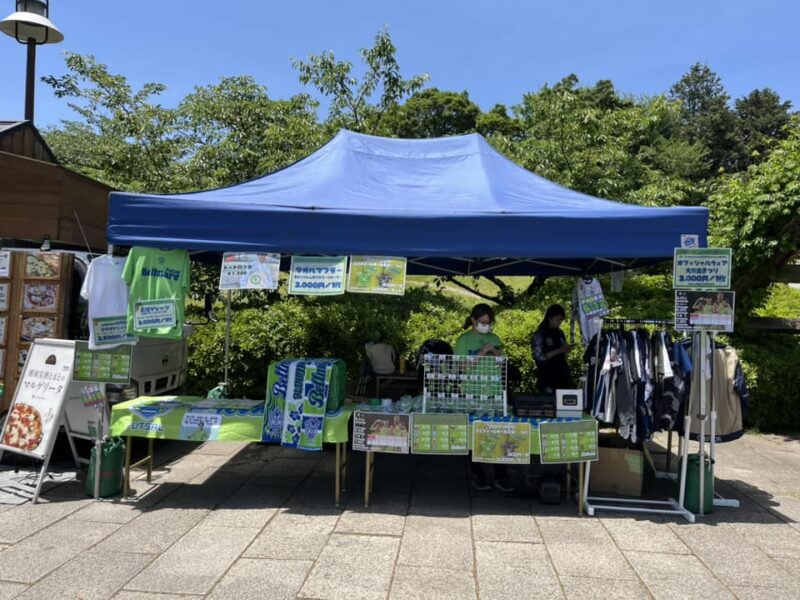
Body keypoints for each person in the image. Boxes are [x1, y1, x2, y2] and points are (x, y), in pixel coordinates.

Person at [455, 304, 514, 493]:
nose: (486, 326)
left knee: (499, 432)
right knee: (475, 434)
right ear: (473, 320)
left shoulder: (494, 338)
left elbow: (501, 364)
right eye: (483, 323)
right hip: (472, 392)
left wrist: (495, 353)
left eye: (489, 323)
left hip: (493, 391)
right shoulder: (463, 341)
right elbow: (461, 368)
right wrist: (481, 353)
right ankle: (477, 475)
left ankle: (501, 475)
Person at [532, 304, 575, 394]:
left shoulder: (560, 333)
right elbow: (539, 357)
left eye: (561, 320)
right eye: (558, 319)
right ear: (550, 318)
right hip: (547, 376)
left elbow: (564, 352)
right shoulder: (540, 334)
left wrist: (566, 350)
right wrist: (558, 350)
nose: (560, 322)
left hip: (563, 375)